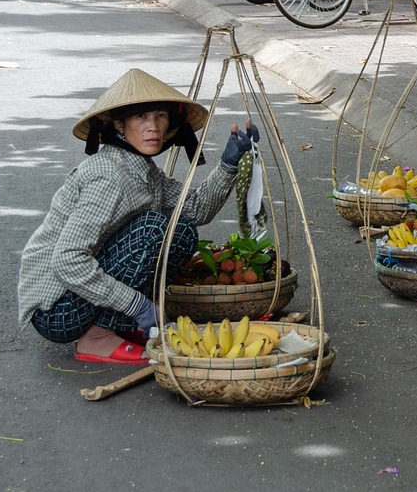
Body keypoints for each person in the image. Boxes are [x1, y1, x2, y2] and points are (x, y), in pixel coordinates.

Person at [17, 69, 258, 366]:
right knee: (154, 230)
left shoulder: (144, 172)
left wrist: (228, 163)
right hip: (57, 309)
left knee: (180, 233)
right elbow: (67, 260)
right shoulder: (110, 176)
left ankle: (112, 326)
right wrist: (138, 305)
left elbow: (194, 209)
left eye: (160, 116)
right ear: (120, 125)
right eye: (141, 118)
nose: (153, 127)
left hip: (80, 295)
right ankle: (96, 336)